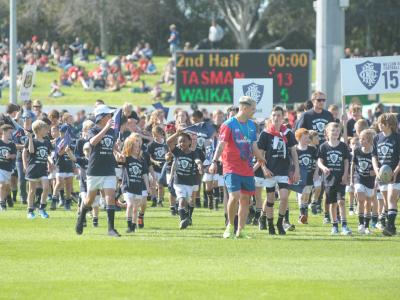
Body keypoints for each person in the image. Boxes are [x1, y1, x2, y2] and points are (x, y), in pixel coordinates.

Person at [209, 96, 265, 239]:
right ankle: (229, 226)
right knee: (234, 196)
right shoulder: (228, 124)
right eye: (253, 109)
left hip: (247, 167)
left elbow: (253, 145)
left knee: (245, 199)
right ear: (245, 108)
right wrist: (214, 161)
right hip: (231, 166)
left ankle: (241, 230)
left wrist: (260, 157)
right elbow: (221, 145)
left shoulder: (252, 125)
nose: (254, 111)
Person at [75, 105, 122, 237]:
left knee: (110, 198)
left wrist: (118, 152)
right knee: (89, 200)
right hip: (95, 169)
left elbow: (111, 146)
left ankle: (111, 229)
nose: (110, 117)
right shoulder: (93, 130)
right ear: (102, 117)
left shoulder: (112, 132)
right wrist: (106, 128)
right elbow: (92, 142)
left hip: (108, 168)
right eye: (108, 115)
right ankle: (81, 216)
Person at [257, 106, 300, 235]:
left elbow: (293, 152)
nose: (276, 118)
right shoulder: (265, 134)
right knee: (270, 199)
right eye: (274, 115)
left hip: (283, 170)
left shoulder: (288, 133)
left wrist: (296, 169)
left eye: (279, 115)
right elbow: (260, 154)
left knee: (284, 197)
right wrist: (264, 169)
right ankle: (269, 224)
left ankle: (280, 223)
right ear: (271, 117)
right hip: (270, 171)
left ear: (283, 117)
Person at [317, 122, 352, 235]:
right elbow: (319, 161)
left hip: (340, 178)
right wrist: (323, 168)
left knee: (341, 201)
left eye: (337, 131)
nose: (335, 133)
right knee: (332, 203)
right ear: (327, 132)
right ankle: (335, 226)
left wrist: (346, 174)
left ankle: (345, 226)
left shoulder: (343, 146)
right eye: (333, 130)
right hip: (328, 179)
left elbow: (346, 161)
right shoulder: (323, 146)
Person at [167, 130, 203, 229]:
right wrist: (177, 134)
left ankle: (186, 218)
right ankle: (183, 220)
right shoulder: (177, 152)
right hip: (178, 182)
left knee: (189, 202)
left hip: (189, 183)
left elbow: (197, 160)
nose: (182, 143)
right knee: (182, 200)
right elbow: (168, 142)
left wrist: (199, 165)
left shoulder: (193, 153)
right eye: (180, 141)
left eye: (184, 141)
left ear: (189, 142)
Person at [372, 113, 400, 236]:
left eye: (381, 123)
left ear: (389, 125)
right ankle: (392, 227)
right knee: (385, 200)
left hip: (395, 173)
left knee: (391, 198)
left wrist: (395, 172)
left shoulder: (397, 138)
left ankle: (389, 227)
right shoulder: (377, 138)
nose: (379, 125)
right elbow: (374, 156)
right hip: (382, 174)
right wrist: (377, 170)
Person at [119, 134, 150, 233]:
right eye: (135, 147)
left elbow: (144, 174)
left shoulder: (141, 160)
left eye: (138, 147)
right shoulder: (126, 158)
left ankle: (133, 225)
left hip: (138, 187)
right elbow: (119, 161)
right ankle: (129, 226)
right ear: (130, 147)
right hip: (127, 187)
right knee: (130, 204)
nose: (137, 149)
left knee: (136, 208)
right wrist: (119, 149)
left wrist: (148, 187)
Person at [23, 120, 52, 219]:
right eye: (44, 129)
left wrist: (51, 162)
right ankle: (30, 210)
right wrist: (30, 138)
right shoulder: (32, 140)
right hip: (33, 168)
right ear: (38, 130)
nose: (46, 131)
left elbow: (48, 155)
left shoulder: (47, 141)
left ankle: (42, 208)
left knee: (46, 187)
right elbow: (31, 151)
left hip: (43, 169)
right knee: (32, 191)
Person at [351, 129, 376, 234]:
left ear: (370, 140)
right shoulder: (357, 150)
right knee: (361, 199)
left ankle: (366, 226)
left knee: (368, 203)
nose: (360, 140)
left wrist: (375, 172)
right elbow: (353, 165)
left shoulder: (374, 151)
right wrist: (351, 179)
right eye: (360, 138)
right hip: (359, 178)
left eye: (363, 139)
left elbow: (378, 166)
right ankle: (360, 224)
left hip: (370, 181)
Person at [294, 128, 318, 224]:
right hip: (300, 176)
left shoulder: (312, 149)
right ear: (299, 138)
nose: (307, 139)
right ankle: (302, 214)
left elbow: (316, 163)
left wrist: (316, 173)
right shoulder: (295, 149)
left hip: (309, 175)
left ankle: (304, 215)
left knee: (307, 195)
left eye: (308, 137)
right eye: (304, 137)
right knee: (301, 195)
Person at [0, 125, 17, 211]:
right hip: (0, 168)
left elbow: (14, 155)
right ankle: (2, 204)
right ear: (4, 132)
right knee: (2, 185)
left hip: (8, 168)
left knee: (7, 187)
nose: (11, 134)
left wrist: (10, 156)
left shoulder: (12, 144)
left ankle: (7, 199)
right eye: (10, 132)